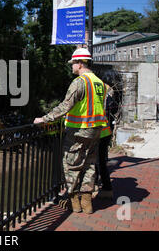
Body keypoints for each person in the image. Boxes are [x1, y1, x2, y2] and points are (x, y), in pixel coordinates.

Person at [34, 48, 107, 214]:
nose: (71, 66)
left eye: (73, 63)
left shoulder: (80, 82)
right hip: (96, 131)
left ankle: (74, 202)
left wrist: (44, 119)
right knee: (89, 165)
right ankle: (87, 203)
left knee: (71, 165)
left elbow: (65, 106)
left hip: (79, 131)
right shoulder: (99, 82)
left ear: (80, 63)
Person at [95, 84, 115, 199]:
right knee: (100, 161)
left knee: (99, 161)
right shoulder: (105, 99)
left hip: (100, 133)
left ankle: (106, 187)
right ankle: (100, 184)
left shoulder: (100, 100)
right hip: (105, 132)